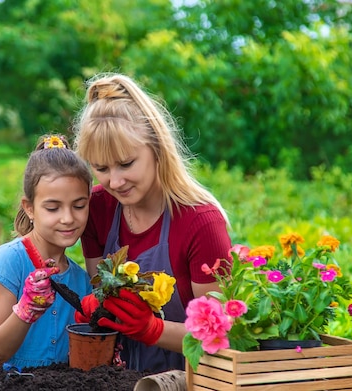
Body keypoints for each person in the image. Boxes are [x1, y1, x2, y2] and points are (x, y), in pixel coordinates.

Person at [71, 73, 232, 372]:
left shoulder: (201, 223)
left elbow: (220, 334)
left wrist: (153, 329)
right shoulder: (97, 208)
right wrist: (97, 306)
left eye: (126, 163)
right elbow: (100, 293)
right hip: (114, 374)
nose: (115, 181)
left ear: (156, 147)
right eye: (101, 168)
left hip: (187, 378)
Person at [0, 134, 93, 371]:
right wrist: (26, 310)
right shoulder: (9, 262)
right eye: (52, 207)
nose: (68, 218)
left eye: (79, 206)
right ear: (30, 208)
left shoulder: (80, 280)